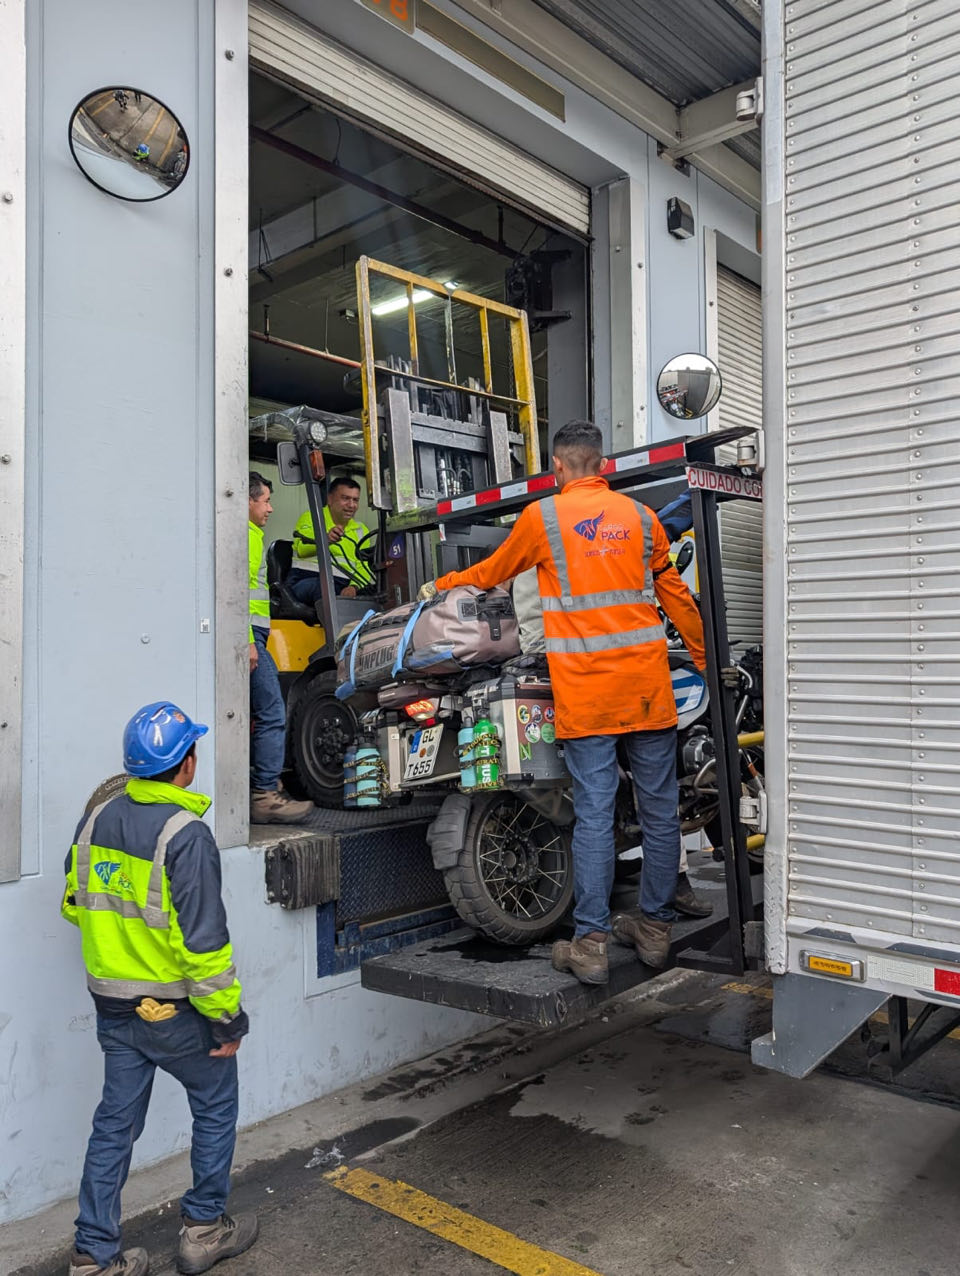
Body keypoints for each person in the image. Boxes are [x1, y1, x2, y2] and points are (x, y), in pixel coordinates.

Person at [431, 419, 707, 984]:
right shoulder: (641, 518)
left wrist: (444, 583)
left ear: (558, 467)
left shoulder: (544, 518)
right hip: (647, 690)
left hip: (586, 693)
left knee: (594, 816)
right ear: (603, 465)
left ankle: (591, 944)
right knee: (659, 813)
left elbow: (492, 574)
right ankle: (655, 930)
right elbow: (676, 595)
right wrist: (704, 659)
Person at [62, 703, 259, 1276]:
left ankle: (92, 1257)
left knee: (114, 1125)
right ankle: (203, 1231)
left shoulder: (94, 821)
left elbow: (75, 906)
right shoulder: (186, 834)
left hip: (113, 1006)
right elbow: (203, 943)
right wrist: (226, 1017)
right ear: (186, 764)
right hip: (175, 1011)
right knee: (215, 1105)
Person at [249, 472, 314, 823]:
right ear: (247, 501)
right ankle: (264, 795)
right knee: (272, 712)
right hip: (250, 639)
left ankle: (264, 785)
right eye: (265, 501)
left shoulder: (251, 536)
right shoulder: (246, 537)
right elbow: (234, 592)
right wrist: (246, 640)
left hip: (255, 637)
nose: (270, 508)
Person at [286, 476, 376, 605]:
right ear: (330, 499)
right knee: (323, 588)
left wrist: (354, 587)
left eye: (355, 500)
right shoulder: (312, 518)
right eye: (345, 498)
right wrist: (325, 539)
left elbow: (363, 565)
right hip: (305, 580)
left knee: (377, 594)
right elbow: (301, 549)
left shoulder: (361, 530)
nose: (351, 505)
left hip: (342, 585)